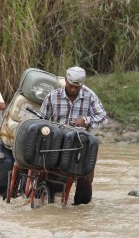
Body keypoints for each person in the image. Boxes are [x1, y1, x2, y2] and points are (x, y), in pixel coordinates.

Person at [39, 66, 108, 205]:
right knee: (47, 170)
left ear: (82, 85)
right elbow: (41, 119)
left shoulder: (89, 96)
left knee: (85, 176)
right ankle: (45, 198)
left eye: (77, 87)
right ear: (65, 81)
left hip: (80, 143)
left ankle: (81, 208)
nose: (73, 90)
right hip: (57, 143)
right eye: (71, 86)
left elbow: (103, 117)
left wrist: (86, 120)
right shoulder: (53, 96)